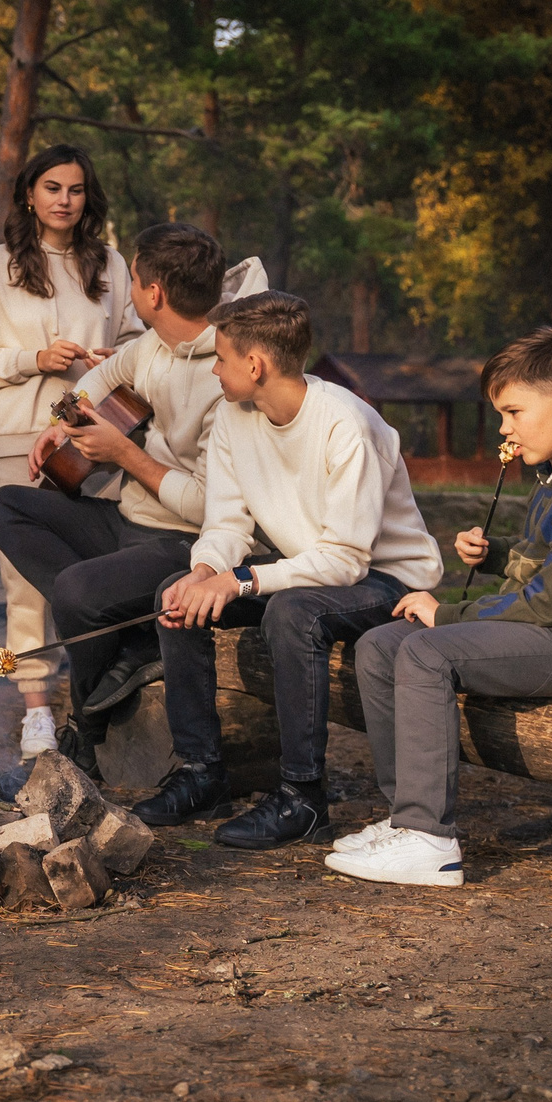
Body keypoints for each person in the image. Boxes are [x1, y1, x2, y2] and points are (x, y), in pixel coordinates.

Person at [329, 323, 552, 888]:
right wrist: (495, 556)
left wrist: (448, 614)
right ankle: (404, 818)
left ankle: (429, 842)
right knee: (380, 645)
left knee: (426, 653)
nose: (504, 428)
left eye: (512, 412)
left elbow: (551, 602)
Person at [135, 291, 444, 849]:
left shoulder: (348, 424)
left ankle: (303, 798)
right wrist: (206, 569)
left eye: (222, 358)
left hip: (388, 580)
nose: (215, 368)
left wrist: (242, 580)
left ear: (255, 365)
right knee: (174, 595)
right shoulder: (233, 417)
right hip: (313, 571)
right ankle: (202, 772)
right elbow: (228, 521)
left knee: (292, 613)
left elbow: (348, 559)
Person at [0, 223, 269, 773]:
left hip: (189, 546)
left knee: (74, 591)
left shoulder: (227, 376)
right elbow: (101, 377)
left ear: (154, 294)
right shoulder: (153, 343)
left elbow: (215, 508)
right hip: (132, 522)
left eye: (134, 280)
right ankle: (131, 640)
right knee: (8, 507)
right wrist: (60, 423)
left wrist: (123, 454)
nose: (130, 289)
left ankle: (84, 730)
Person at [0, 146, 141, 759]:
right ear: (29, 194)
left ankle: (97, 703)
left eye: (77, 189)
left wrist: (114, 362)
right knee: (24, 581)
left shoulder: (111, 265)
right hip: (16, 439)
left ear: (90, 198)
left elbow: (143, 346)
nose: (64, 199)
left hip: (99, 438)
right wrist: (33, 359)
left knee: (100, 570)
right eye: (52, 187)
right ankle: (36, 709)